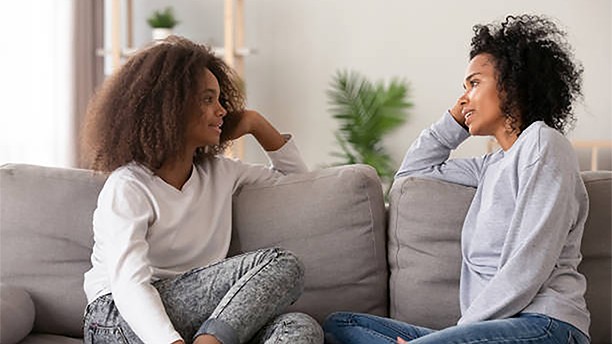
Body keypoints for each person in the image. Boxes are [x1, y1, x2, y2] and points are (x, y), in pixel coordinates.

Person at [323, 14, 590, 344]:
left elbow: (529, 265)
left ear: (512, 85)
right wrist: (454, 121)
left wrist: (459, 335)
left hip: (545, 325)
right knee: (342, 324)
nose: (464, 99)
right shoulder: (490, 166)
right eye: (463, 88)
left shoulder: (544, 144)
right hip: (486, 330)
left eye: (474, 83)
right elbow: (412, 174)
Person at [81, 36, 323, 344]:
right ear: (169, 107)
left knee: (299, 327)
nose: (222, 110)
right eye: (208, 99)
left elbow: (299, 184)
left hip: (196, 320)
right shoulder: (128, 186)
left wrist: (255, 123)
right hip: (117, 318)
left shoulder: (221, 172)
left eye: (221, 100)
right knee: (284, 264)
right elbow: (129, 284)